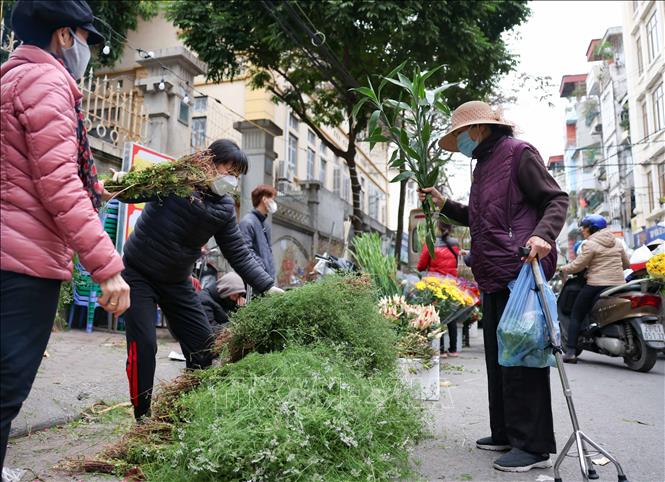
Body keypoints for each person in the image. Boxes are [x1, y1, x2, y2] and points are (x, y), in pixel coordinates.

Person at [0, 0, 130, 473]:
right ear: (63, 36)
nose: (87, 49)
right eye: (84, 37)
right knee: (7, 385)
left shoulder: (7, 78)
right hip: (24, 263)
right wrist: (108, 268)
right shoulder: (49, 81)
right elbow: (58, 184)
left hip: (8, 250)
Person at [420, 101, 568, 472]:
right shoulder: (483, 166)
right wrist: (444, 204)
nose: (460, 142)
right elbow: (479, 216)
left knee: (521, 357)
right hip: (491, 272)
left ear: (479, 129)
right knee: (498, 358)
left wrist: (541, 236)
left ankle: (531, 446)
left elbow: (556, 199)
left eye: (461, 134)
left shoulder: (519, 154)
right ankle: (504, 431)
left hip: (519, 269)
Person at [120, 139, 282, 421]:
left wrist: (268, 286)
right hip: (139, 273)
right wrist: (122, 185)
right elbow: (133, 191)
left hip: (176, 280)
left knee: (203, 344)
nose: (232, 180)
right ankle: (142, 415)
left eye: (237, 176)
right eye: (228, 170)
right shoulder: (174, 179)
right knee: (144, 344)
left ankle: (187, 406)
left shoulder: (223, 208)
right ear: (209, 162)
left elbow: (239, 253)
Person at [559, 215, 630, 363]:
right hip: (618, 284)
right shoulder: (617, 243)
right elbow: (626, 264)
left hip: (597, 284)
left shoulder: (590, 244)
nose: (583, 231)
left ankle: (571, 351)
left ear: (591, 228)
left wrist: (562, 269)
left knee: (576, 314)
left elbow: (577, 265)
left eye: (584, 227)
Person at [417, 220, 461, 356]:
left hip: (435, 284)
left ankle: (440, 349)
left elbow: (421, 266)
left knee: (436, 315)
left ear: (437, 227)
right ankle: (453, 349)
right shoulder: (455, 244)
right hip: (451, 284)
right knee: (451, 315)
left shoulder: (431, 243)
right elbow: (456, 263)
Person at [239, 184, 277, 279]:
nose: (274, 202)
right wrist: (262, 268)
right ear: (264, 199)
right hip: (255, 279)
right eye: (272, 199)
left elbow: (268, 252)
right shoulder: (248, 222)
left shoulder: (265, 224)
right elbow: (245, 251)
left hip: (266, 278)